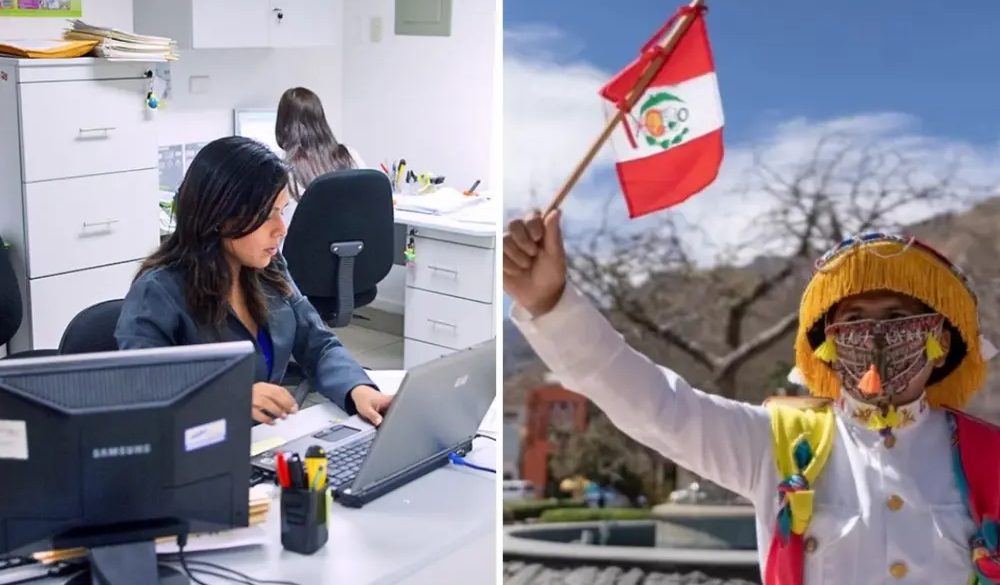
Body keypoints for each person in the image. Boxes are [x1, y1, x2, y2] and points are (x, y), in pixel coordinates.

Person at [504, 211, 1000, 584]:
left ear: (941, 343)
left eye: (897, 317)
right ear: (826, 347)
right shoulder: (778, 444)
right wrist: (550, 304)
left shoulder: (990, 457)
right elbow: (654, 405)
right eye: (853, 320)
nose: (874, 334)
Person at [116, 136, 391, 427]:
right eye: (268, 216)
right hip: (196, 454)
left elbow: (317, 344)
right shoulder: (159, 291)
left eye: (282, 212)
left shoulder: (268, 268)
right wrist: (229, 395)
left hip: (261, 444)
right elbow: (141, 387)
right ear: (221, 216)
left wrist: (358, 389)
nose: (281, 229)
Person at [274, 86, 367, 229]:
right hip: (349, 248)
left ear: (283, 124)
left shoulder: (279, 165)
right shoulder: (349, 155)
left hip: (297, 249)